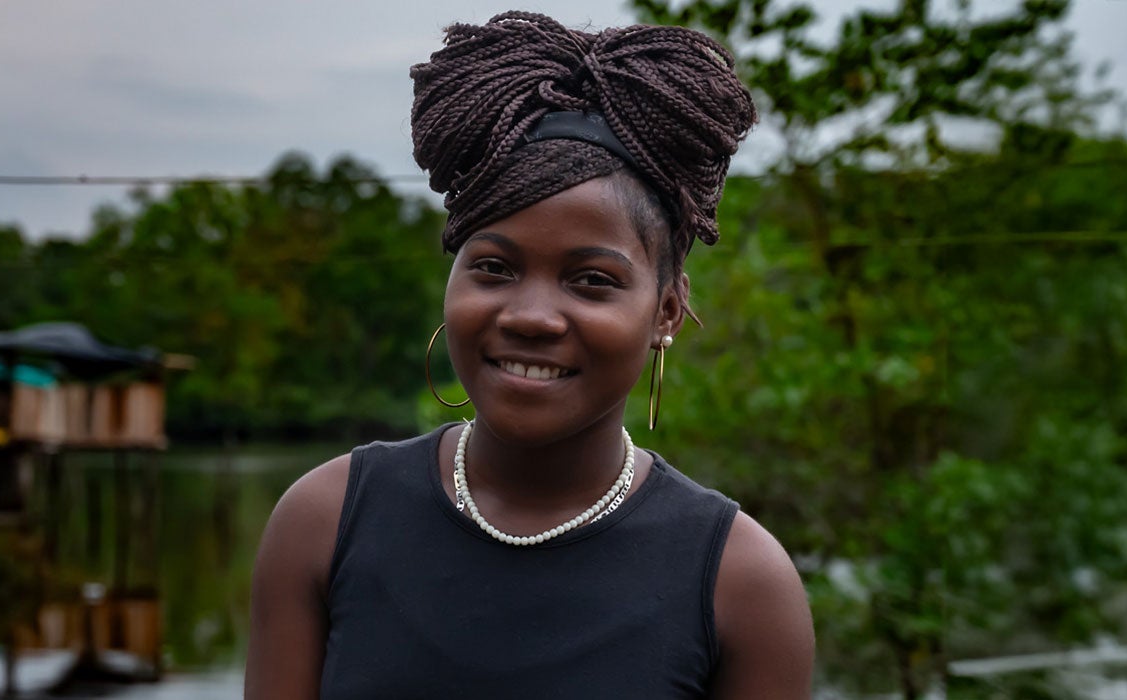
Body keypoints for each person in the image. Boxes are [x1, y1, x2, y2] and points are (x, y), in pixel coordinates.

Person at [246, 12, 814, 699]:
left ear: (666, 310)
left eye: (591, 281)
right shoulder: (324, 523)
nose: (531, 316)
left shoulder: (740, 584)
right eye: (494, 267)